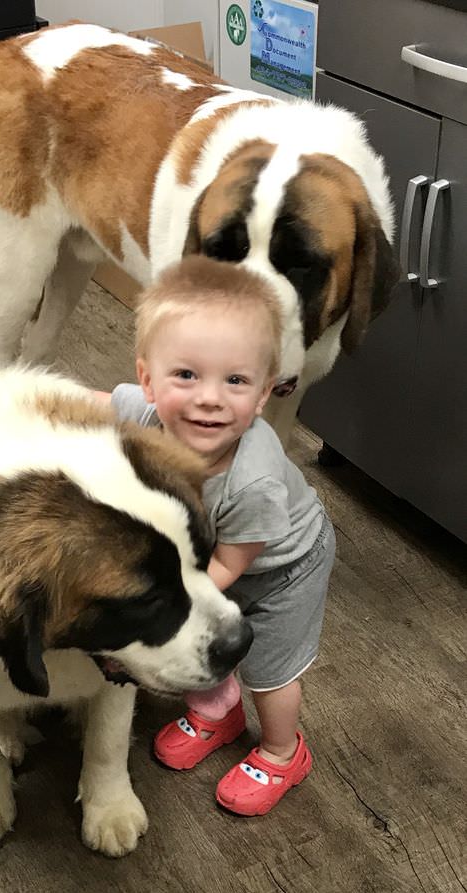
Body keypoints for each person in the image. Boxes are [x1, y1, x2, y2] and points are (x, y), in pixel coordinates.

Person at [96, 255, 336, 816]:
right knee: (205, 643)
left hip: (282, 569)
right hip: (215, 560)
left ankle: (281, 751)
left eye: (235, 380)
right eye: (186, 374)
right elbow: (95, 405)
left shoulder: (251, 481)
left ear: (262, 395)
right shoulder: (147, 416)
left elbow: (228, 567)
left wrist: (159, 602)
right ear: (148, 380)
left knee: (268, 670)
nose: (209, 397)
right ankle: (217, 711)